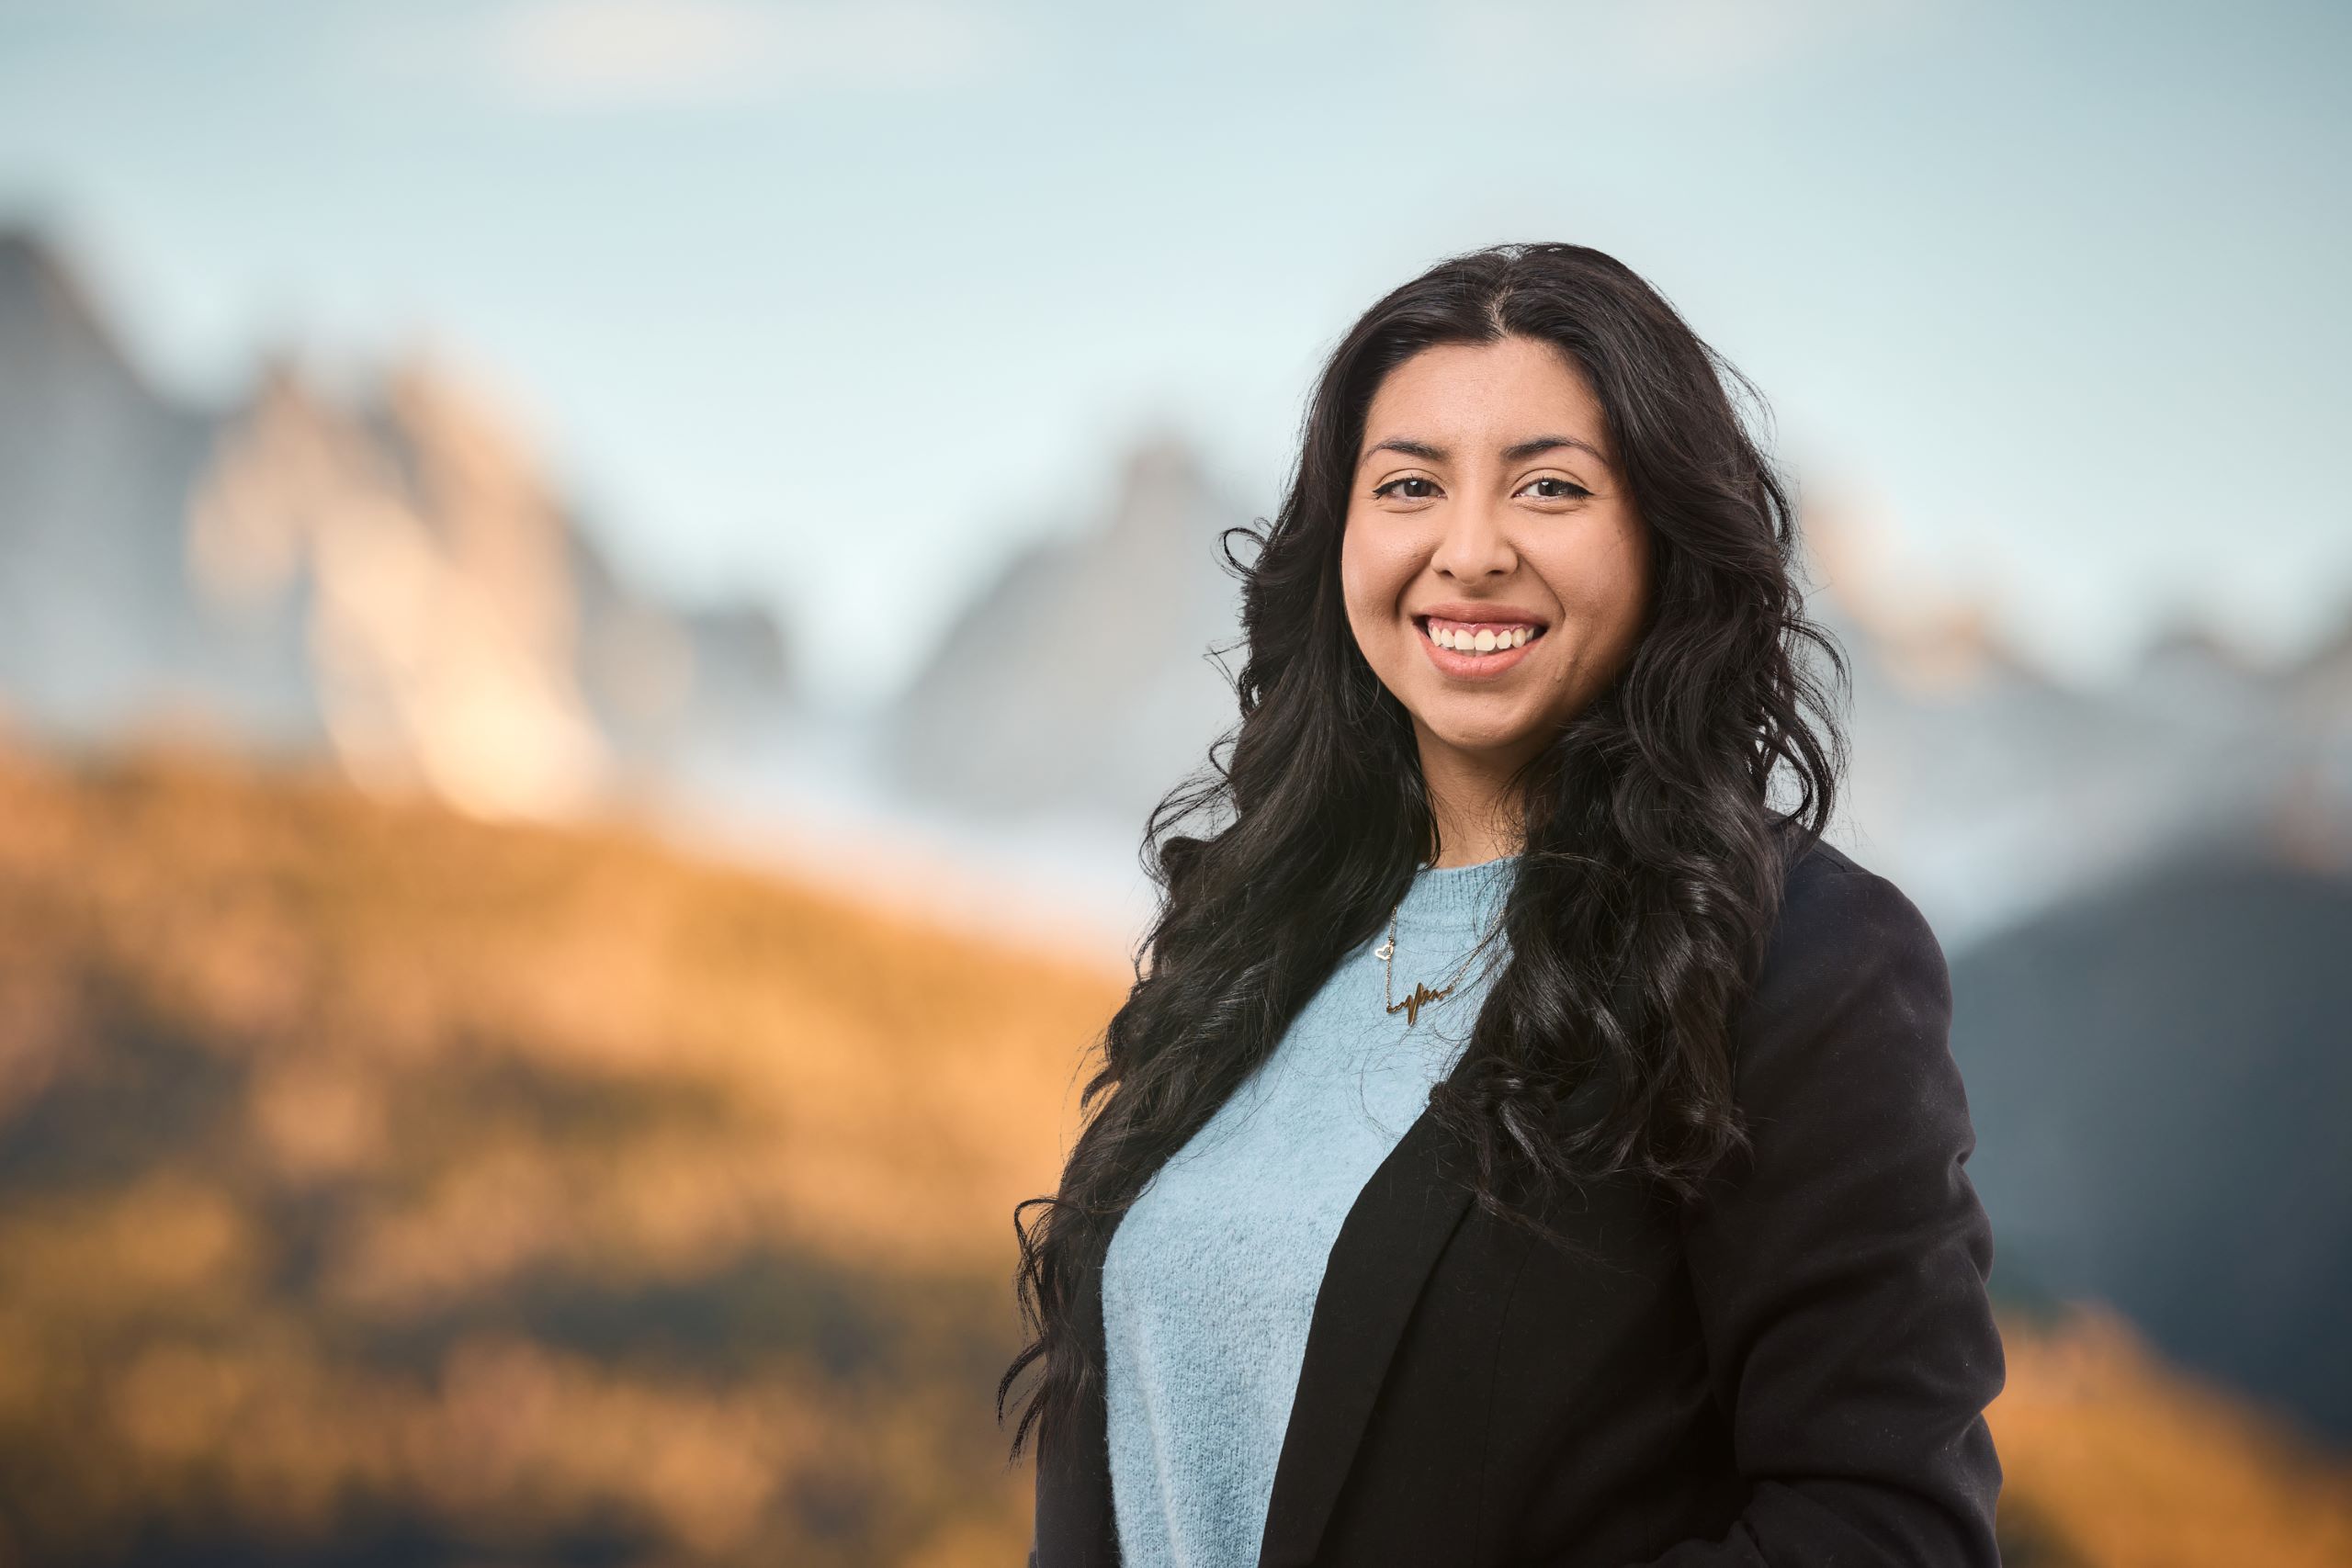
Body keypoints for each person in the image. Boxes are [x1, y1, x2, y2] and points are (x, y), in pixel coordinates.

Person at [1000, 241, 2005, 1567]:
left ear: (1664, 536)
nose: (1469, 552)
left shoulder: (1804, 959)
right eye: (1409, 485)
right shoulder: (1255, 935)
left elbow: (1884, 1529)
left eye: (1550, 487)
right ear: (1340, 538)